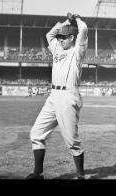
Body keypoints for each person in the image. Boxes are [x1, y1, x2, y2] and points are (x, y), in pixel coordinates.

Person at [26, 13, 88, 180]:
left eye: (64, 37)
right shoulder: (57, 49)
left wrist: (77, 20)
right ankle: (38, 173)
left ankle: (81, 176)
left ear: (72, 37)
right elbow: (49, 35)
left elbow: (84, 29)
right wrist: (67, 21)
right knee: (36, 133)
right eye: (60, 37)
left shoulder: (77, 52)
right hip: (53, 96)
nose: (60, 40)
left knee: (72, 141)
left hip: (68, 95)